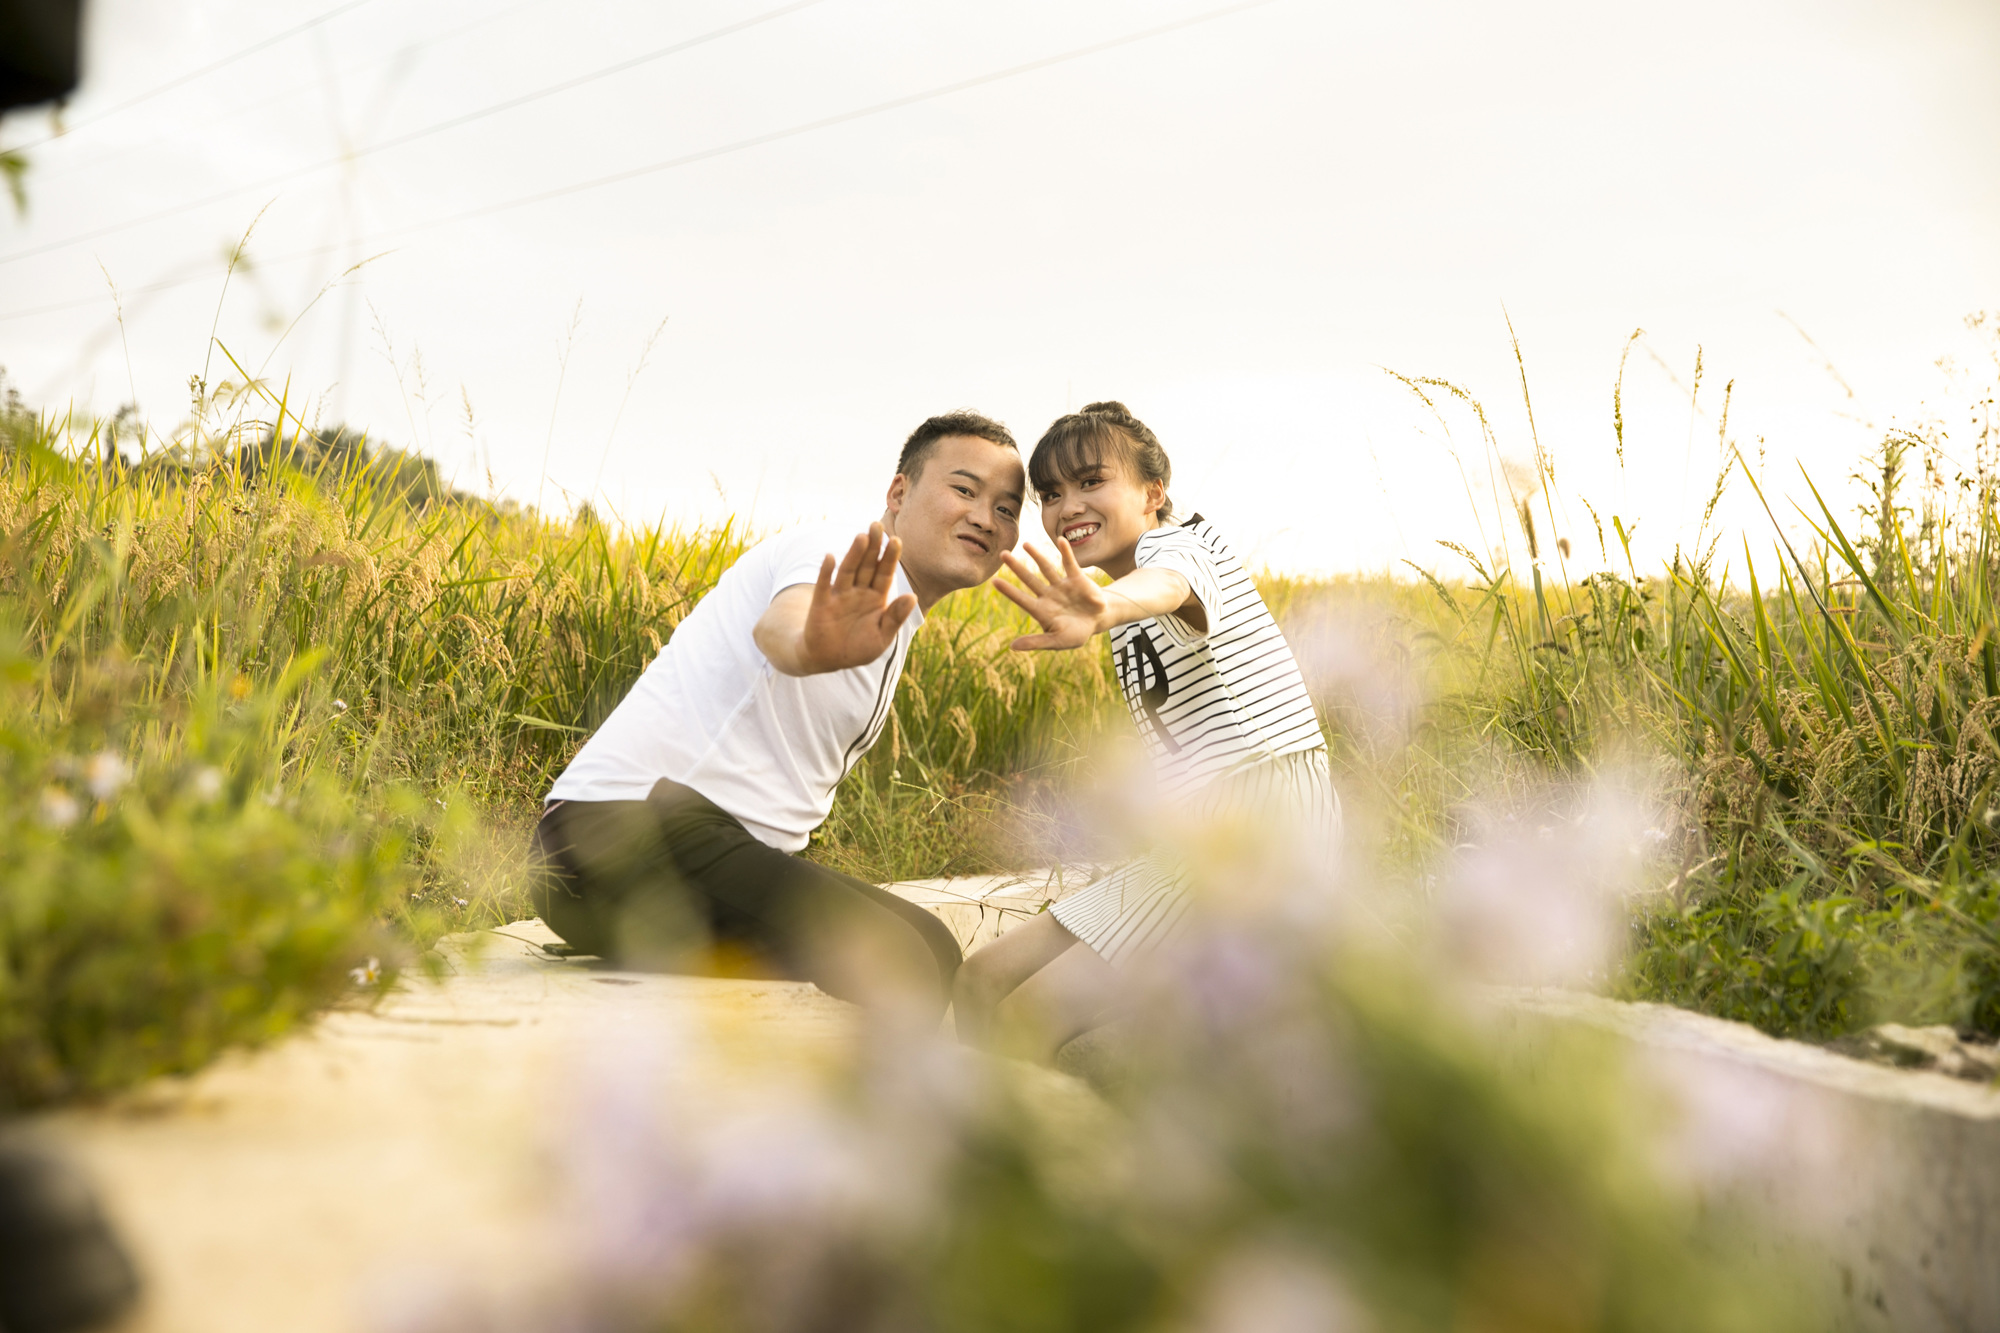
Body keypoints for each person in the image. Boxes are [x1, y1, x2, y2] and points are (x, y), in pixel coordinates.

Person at [532, 412, 1026, 1020]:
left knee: (936, 946)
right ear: (900, 493)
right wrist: (807, 649)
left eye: (1007, 508)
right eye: (965, 490)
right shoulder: (841, 549)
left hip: (695, 851)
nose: (985, 517)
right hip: (617, 838)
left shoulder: (891, 611)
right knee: (899, 961)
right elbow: (782, 627)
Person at [952, 402, 1339, 1060]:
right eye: (1050, 493)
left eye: (1091, 481)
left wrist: (1108, 604)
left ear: (1153, 494)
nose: (1067, 505)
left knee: (1028, 1021)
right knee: (980, 978)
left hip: (1259, 831)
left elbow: (1173, 584)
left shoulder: (1177, 546)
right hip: (1198, 838)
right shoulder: (1121, 585)